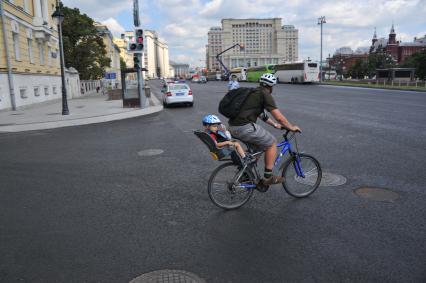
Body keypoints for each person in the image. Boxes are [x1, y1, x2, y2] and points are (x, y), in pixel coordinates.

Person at [227, 73, 301, 186]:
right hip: (244, 127)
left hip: (233, 127)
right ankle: (267, 178)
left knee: (258, 148)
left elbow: (262, 115)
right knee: (271, 143)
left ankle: (246, 174)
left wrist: (275, 125)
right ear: (271, 87)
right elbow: (279, 117)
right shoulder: (265, 94)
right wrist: (291, 127)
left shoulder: (253, 92)